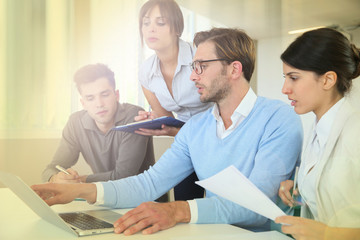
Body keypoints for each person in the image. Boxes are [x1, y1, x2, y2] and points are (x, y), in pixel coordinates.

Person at [32, 28, 303, 235]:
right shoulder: (195, 128)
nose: (193, 75)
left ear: (234, 69)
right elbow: (150, 183)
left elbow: (256, 207)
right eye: (193, 67)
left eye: (201, 67)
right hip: (212, 234)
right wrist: (84, 191)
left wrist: (177, 209)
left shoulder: (279, 119)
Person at [275, 28, 360, 239]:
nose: (285, 88)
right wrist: (300, 186)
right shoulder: (318, 128)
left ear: (328, 80)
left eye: (294, 78)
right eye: (285, 77)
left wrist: (328, 234)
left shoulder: (356, 131)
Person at [135, 0, 211, 201]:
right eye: (145, 23)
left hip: (218, 135)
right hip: (185, 140)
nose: (151, 29)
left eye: (160, 23)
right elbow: (167, 119)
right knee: (183, 203)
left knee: (219, 206)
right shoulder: (145, 72)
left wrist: (177, 130)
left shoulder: (200, 56)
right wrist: (154, 120)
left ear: (177, 27)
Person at [42, 63, 155, 184]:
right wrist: (55, 178)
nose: (99, 104)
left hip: (146, 198)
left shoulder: (135, 117)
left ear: (116, 95)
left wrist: (81, 180)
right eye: (90, 98)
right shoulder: (75, 123)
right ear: (83, 103)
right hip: (105, 197)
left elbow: (123, 176)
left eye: (105, 95)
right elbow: (51, 169)